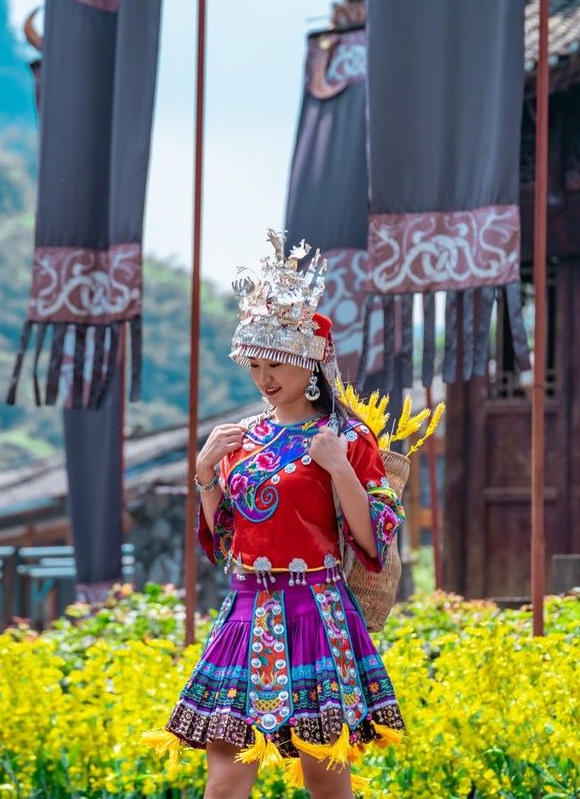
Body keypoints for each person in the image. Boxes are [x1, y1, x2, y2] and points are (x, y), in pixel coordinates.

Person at [144, 231, 405, 799]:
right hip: (245, 607)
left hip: (315, 609)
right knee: (226, 776)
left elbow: (373, 539)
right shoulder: (242, 436)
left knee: (326, 779)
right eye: (254, 365)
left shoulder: (346, 436)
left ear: (307, 361)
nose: (263, 379)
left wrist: (339, 469)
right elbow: (225, 540)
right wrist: (205, 475)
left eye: (275, 365)